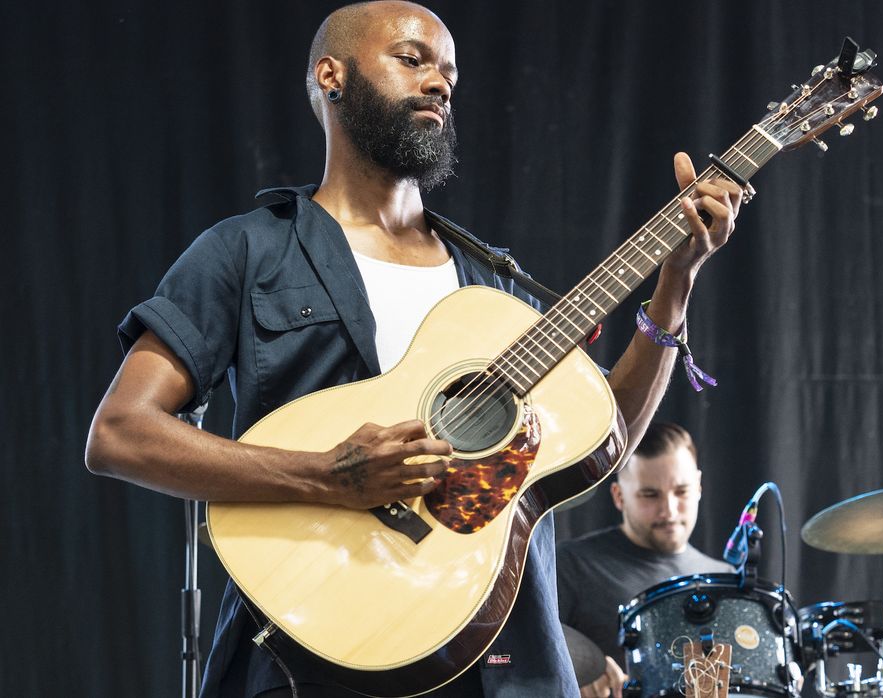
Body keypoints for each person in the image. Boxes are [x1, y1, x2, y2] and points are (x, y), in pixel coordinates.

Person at [84, 2, 745, 697]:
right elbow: (121, 433)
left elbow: (598, 441)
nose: (439, 82)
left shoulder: (492, 286)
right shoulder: (247, 251)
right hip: (316, 650)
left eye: (449, 72)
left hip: (503, 658)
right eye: (412, 59)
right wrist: (328, 475)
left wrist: (677, 280)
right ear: (331, 74)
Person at [557, 422, 733, 698]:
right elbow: (525, 650)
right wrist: (570, 679)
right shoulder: (570, 565)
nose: (669, 510)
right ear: (618, 496)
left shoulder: (726, 578)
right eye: (650, 495)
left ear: (699, 486)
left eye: (682, 491)